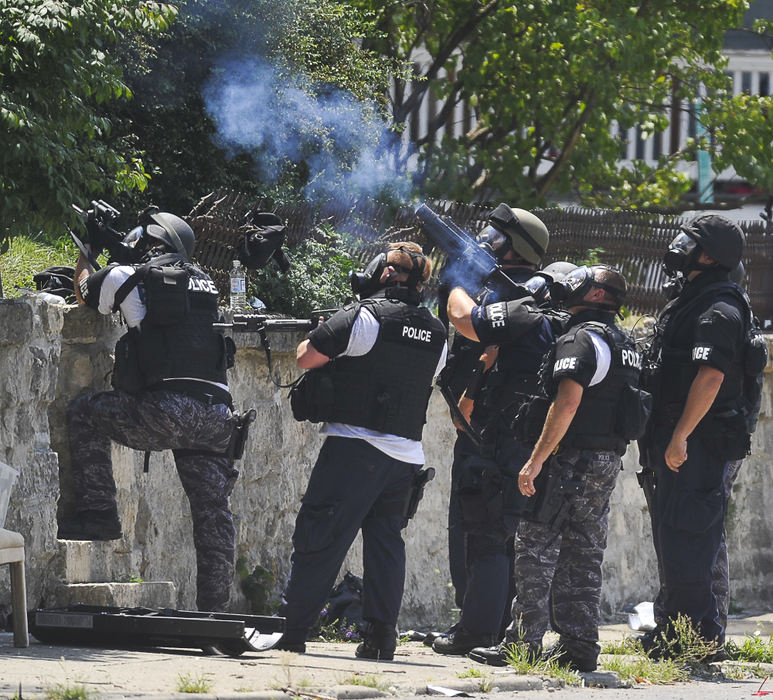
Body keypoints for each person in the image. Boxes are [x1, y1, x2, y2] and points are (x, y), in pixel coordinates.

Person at [58, 207, 240, 613]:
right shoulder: (208, 284)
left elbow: (85, 292)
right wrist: (120, 247)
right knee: (212, 512)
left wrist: (88, 247)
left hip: (166, 410)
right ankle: (215, 611)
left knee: (85, 412)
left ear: (153, 241)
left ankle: (99, 514)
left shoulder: (132, 276)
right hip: (217, 417)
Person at [277, 242, 447, 660]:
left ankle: (293, 632)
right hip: (406, 459)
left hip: (355, 450)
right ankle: (380, 640)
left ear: (386, 273)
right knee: (386, 546)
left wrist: (322, 329)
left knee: (320, 539)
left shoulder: (366, 316)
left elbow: (306, 357)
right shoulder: (438, 333)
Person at [471, 265, 643, 671]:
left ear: (597, 295)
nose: (571, 283)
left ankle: (523, 643)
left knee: (535, 547)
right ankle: (579, 646)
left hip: (570, 461)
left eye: (582, 279)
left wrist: (536, 460)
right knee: (584, 552)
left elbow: (567, 402)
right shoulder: (625, 341)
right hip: (605, 461)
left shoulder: (581, 338)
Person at [637, 214, 762, 657]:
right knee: (675, 538)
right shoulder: (693, 298)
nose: (678, 245)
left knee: (688, 537)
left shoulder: (719, 309)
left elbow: (710, 378)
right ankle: (677, 629)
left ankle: (692, 641)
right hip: (679, 439)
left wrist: (680, 437)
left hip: (698, 443)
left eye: (688, 241)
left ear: (709, 256)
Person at [430, 205, 551, 655]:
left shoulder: (525, 299)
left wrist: (456, 284)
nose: (485, 240)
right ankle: (486, 626)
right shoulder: (507, 292)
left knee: (487, 531)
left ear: (513, 247)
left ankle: (479, 630)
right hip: (495, 429)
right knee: (487, 529)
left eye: (494, 236)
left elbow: (467, 322)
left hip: (502, 434)